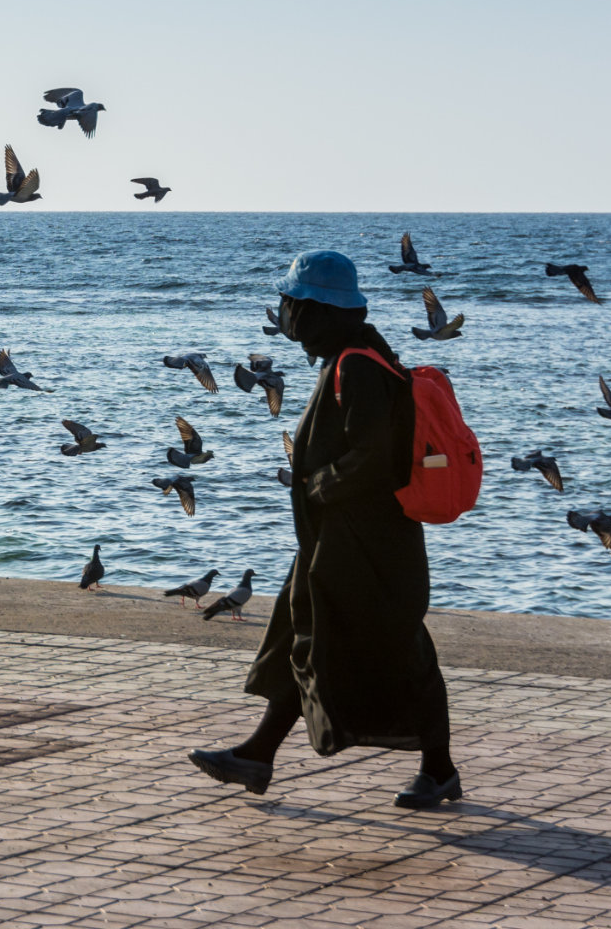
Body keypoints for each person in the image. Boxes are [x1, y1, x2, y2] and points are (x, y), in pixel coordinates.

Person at [189, 249, 460, 808]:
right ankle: (257, 755)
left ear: (316, 311)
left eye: (291, 304)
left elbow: (374, 457)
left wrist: (317, 487)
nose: (285, 314)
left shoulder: (355, 365)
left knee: (399, 652)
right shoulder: (355, 355)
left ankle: (439, 769)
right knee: (301, 635)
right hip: (342, 539)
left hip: (365, 544)